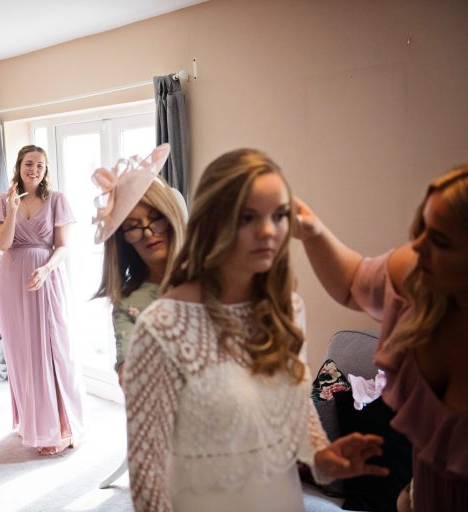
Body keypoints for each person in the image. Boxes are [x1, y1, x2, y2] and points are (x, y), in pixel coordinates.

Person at [123, 148, 389, 512]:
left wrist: (324, 458)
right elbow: (146, 470)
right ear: (214, 222)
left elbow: (295, 406)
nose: (267, 232)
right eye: (248, 217)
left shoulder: (287, 309)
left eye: (279, 215)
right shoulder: (162, 327)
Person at [294, 164, 468, 511]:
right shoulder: (417, 272)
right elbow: (352, 281)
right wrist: (312, 231)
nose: (417, 247)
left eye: (440, 240)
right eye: (421, 229)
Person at [0, 144, 85, 456]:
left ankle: (60, 427)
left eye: (40, 165)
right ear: (19, 165)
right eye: (29, 163)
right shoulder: (3, 201)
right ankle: (33, 423)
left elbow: (63, 246)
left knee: (53, 348)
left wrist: (46, 269)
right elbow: (2, 244)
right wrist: (13, 209)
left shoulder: (57, 200)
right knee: (22, 352)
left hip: (47, 277)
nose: (35, 169)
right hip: (13, 279)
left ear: (45, 170)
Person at [92, 145, 188, 385]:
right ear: (123, 237)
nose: (148, 233)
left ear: (170, 217)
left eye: (155, 219)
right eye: (134, 226)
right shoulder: (127, 302)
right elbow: (130, 375)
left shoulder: (212, 277)